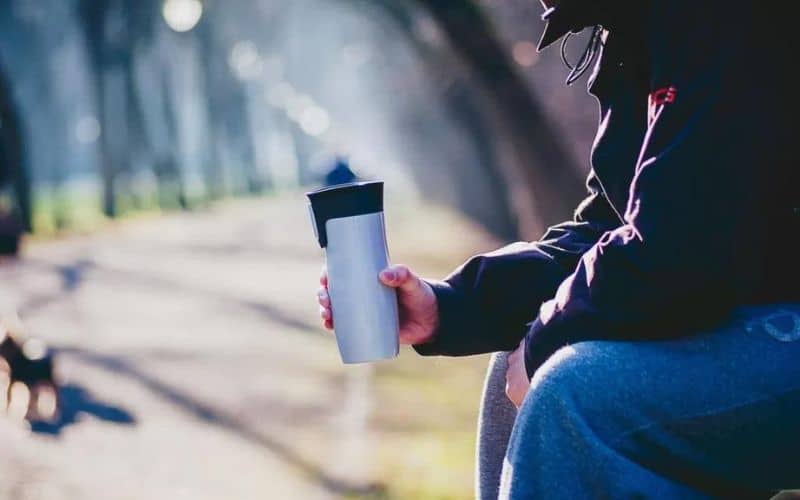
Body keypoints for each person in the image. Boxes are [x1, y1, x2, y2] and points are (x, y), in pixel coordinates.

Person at [317, 0, 800, 497]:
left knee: (573, 394)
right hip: (759, 310)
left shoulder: (715, 18)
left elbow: (679, 248)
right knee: (518, 368)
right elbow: (611, 227)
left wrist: (550, 334)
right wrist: (451, 306)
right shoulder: (634, 30)